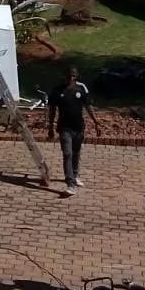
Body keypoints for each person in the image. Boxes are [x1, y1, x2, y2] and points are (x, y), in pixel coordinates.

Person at [47, 65, 100, 195]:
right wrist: (50, 127)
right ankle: (70, 183)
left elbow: (88, 106)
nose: (71, 78)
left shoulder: (81, 89)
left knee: (76, 153)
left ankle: (75, 175)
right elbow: (52, 110)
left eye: (73, 76)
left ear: (76, 77)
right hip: (64, 127)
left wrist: (96, 122)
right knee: (67, 154)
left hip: (79, 127)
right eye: (69, 75)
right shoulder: (57, 90)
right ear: (64, 76)